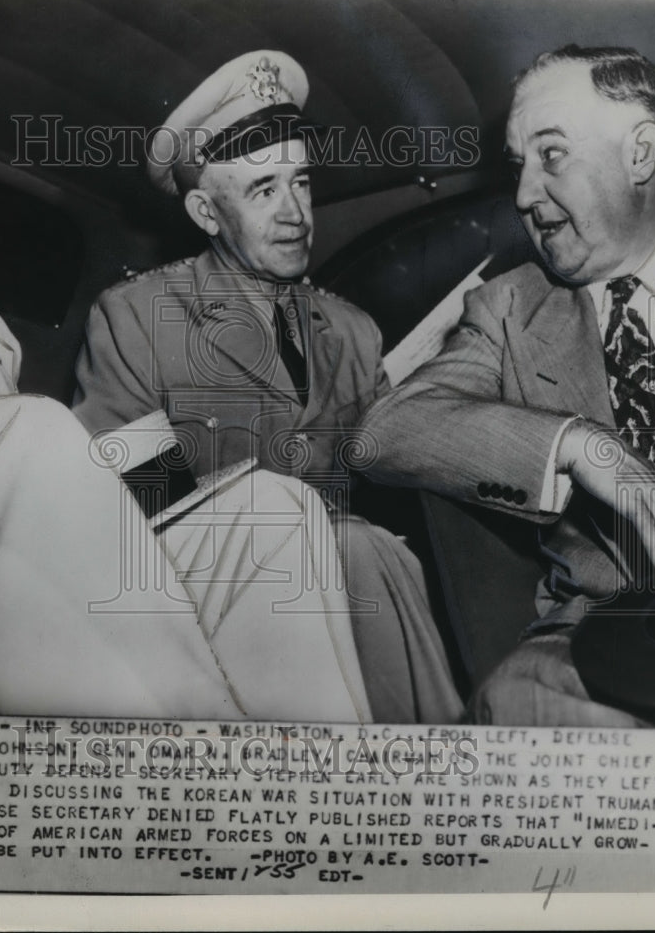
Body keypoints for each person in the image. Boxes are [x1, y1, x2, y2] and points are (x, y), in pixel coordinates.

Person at [0, 56, 371, 721]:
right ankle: (172, 794)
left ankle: (309, 807)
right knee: (29, 431)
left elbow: (17, 501)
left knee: (271, 512)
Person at [73, 51, 463, 723]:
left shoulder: (352, 328)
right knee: (358, 549)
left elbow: (386, 470)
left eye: (301, 183)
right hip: (213, 607)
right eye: (262, 190)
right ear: (204, 210)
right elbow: (127, 506)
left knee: (376, 553)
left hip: (353, 590)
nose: (295, 213)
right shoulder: (138, 314)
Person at [359, 45, 655, 725]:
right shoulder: (508, 311)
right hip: (611, 643)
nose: (525, 194)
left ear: (640, 153)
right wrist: (579, 445)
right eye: (518, 166)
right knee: (516, 696)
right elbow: (383, 431)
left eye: (551, 155)